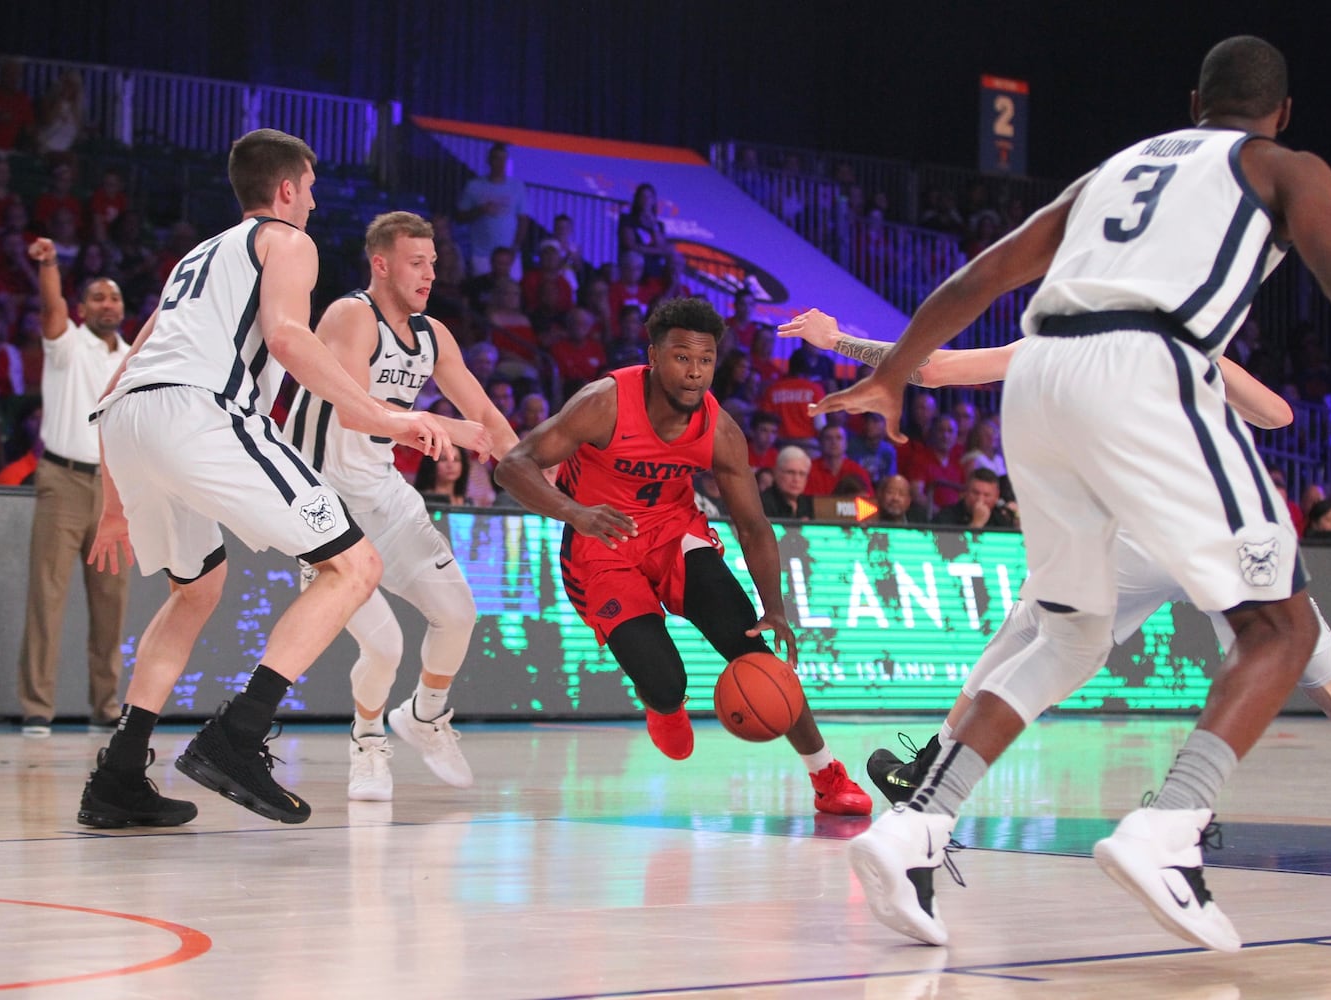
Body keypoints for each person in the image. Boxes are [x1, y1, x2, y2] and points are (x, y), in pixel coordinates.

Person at [809, 37, 1331, 952]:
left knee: (1067, 633)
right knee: (1283, 627)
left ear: (1194, 101)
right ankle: (1169, 828)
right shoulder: (1280, 165)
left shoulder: (1113, 170)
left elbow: (983, 275)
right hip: (1148, 370)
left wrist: (895, 372)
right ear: (1284, 111)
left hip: (1041, 375)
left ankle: (916, 825)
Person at [787, 309, 1331, 870]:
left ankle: (933, 776)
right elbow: (1278, 414)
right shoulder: (1187, 348)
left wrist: (837, 340)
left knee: (1028, 639)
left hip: (1142, 534)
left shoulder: (1057, 341)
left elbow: (935, 368)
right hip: (1230, 528)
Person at [78, 129, 451, 830]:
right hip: (201, 413)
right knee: (355, 565)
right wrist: (381, 415)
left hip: (129, 423)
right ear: (286, 188)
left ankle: (120, 775)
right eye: (309, 189)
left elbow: (124, 367)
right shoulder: (286, 241)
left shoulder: (195, 258)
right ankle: (237, 736)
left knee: (196, 590)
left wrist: (114, 503)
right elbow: (286, 336)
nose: (311, 204)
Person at [493, 297, 871, 816]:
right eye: (680, 358)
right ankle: (664, 704)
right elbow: (513, 466)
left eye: (705, 361)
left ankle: (828, 776)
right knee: (667, 682)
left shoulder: (720, 429)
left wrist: (774, 607)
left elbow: (753, 525)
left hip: (676, 537)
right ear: (652, 356)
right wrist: (574, 513)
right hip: (601, 546)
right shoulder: (604, 402)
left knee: (757, 653)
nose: (694, 373)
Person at [283, 211, 515, 802]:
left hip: (385, 494)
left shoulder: (434, 335)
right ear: (381, 264)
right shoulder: (349, 316)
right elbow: (356, 409)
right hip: (323, 502)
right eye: (417, 262)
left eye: (434, 262)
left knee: (460, 614)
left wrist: (539, 468)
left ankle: (425, 715)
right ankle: (366, 742)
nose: (430, 273)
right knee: (384, 646)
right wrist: (445, 428)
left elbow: (486, 417)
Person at [15, 236, 132, 736]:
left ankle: (106, 708)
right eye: (98, 298)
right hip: (61, 479)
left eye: (115, 298)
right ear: (83, 308)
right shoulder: (66, 344)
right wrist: (49, 265)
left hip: (114, 489)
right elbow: (50, 304)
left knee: (112, 603)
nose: (108, 304)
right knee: (48, 597)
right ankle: (36, 708)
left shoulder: (133, 358)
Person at [456, 143, 528, 277]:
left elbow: (523, 220)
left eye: (503, 159)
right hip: (481, 253)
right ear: (489, 161)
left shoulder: (517, 187)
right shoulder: (474, 186)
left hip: (509, 254)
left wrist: (515, 248)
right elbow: (460, 216)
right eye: (496, 158)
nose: (500, 163)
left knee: (510, 291)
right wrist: (481, 210)